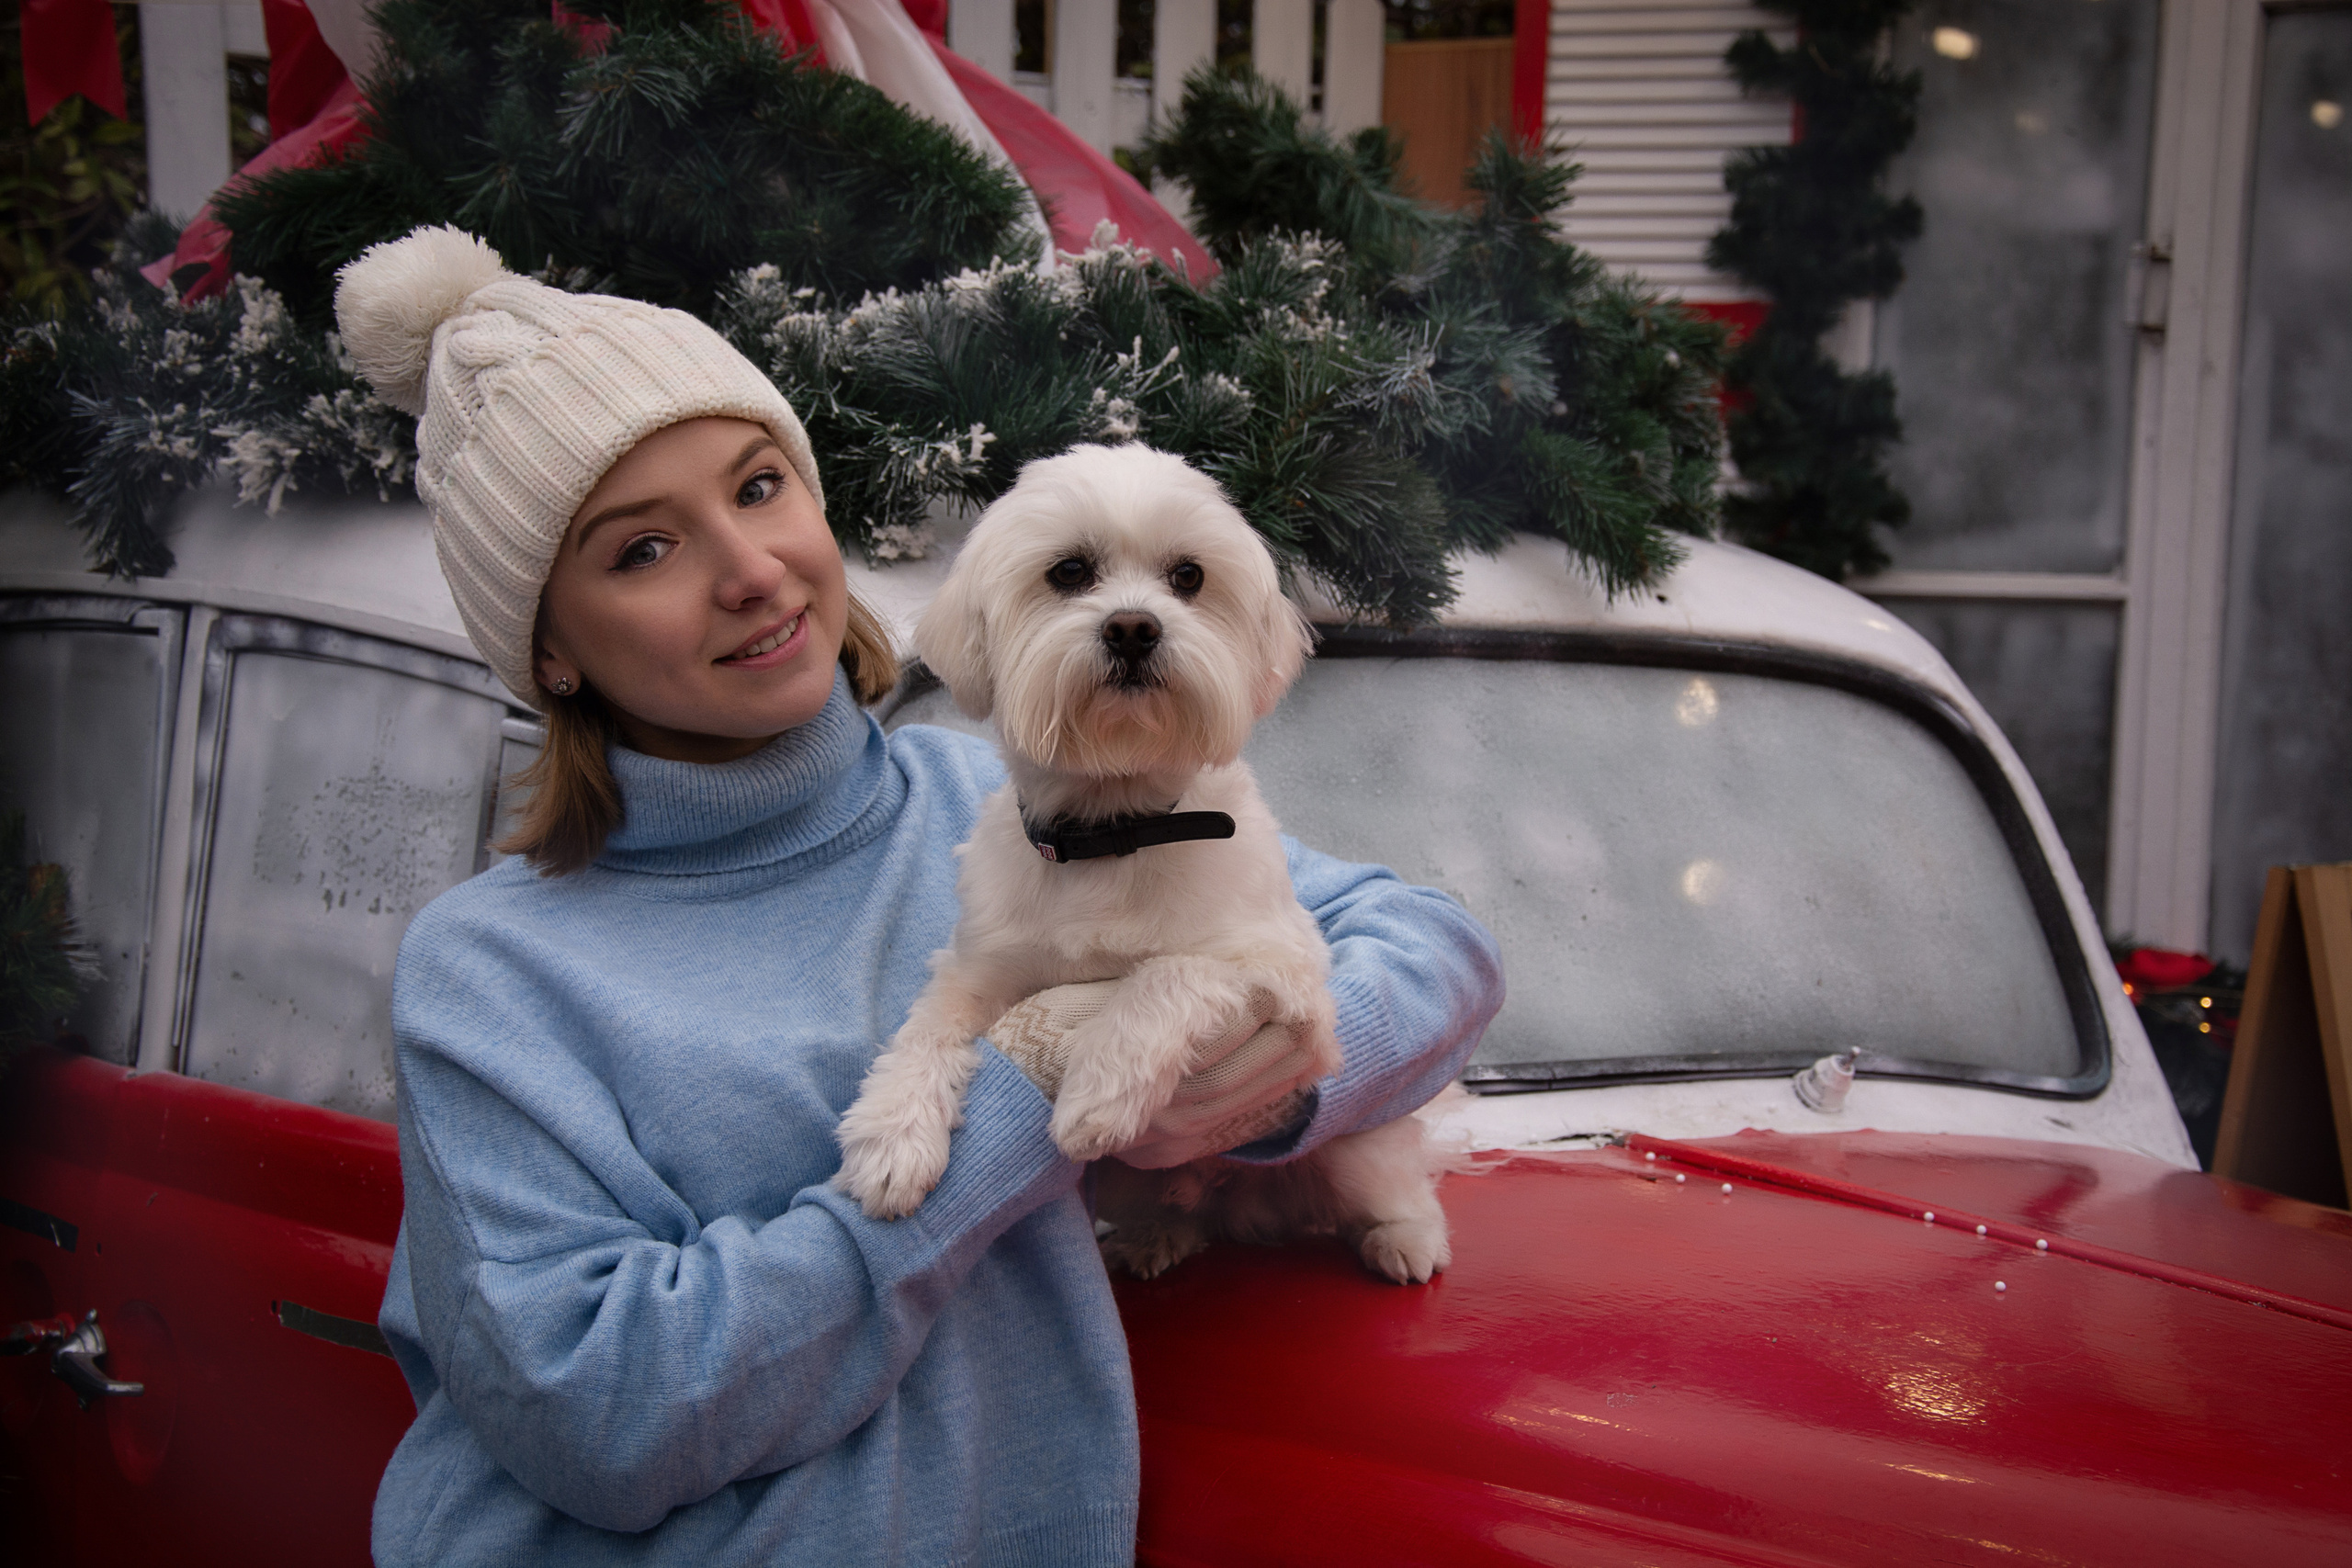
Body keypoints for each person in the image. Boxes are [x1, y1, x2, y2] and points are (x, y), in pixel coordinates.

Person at [342, 226, 1504, 1566]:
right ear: (548, 648)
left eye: (760, 485)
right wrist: (1022, 1085)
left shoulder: (1012, 801)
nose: (751, 569)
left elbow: (1437, 951)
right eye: (643, 549)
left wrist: (1259, 1085)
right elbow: (601, 1413)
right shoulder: (488, 971)